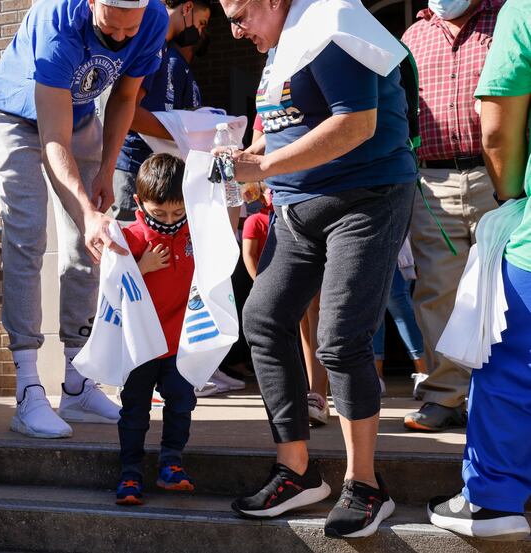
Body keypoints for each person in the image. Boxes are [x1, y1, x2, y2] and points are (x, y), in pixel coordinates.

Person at [219, 0, 418, 538]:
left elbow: (357, 123)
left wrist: (263, 165)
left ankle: (365, 486)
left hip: (365, 198)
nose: (235, 31)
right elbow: (280, 128)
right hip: (297, 209)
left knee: (340, 339)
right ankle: (298, 471)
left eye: (240, 16)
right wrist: (238, 158)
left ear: (274, 2)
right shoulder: (285, 39)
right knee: (263, 318)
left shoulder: (330, 26)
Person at [0, 0, 168, 439]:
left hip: (83, 120)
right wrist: (83, 209)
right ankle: (28, 390)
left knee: (92, 243)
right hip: (18, 118)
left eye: (130, 29)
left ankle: (77, 382)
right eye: (111, 26)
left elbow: (123, 96)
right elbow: (52, 138)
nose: (121, 37)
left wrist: (105, 170)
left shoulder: (155, 17)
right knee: (27, 240)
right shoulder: (55, 19)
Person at [428, 0, 531, 538]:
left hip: (522, 225)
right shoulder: (417, 32)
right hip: (437, 176)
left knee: (509, 357)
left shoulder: (519, 12)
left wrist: (512, 199)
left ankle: (493, 499)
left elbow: (497, 126)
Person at [401, 0, 502, 432]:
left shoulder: (506, 19)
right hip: (431, 182)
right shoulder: (412, 37)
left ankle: (504, 394)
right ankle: (445, 396)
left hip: (499, 172)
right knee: (437, 292)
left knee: (509, 289)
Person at [115, 153, 197, 505]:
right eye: (159, 213)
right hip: (141, 343)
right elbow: (110, 287)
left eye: (178, 213)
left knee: (181, 402)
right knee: (134, 410)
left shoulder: (195, 233)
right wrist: (140, 266)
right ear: (139, 203)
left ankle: (171, 462)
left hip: (180, 342)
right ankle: (130, 472)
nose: (170, 221)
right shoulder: (131, 236)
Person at [248, 114, 328, 426]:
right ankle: (309, 394)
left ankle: (319, 393)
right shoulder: (267, 94)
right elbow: (257, 147)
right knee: (295, 310)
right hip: (283, 206)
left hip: (326, 197)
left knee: (321, 308)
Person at [112, 0, 211, 223]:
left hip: (155, 167)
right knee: (131, 246)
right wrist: (185, 134)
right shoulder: (149, 40)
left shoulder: (165, 47)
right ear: (187, 8)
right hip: (133, 165)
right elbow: (128, 112)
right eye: (202, 22)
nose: (200, 31)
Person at [373, 239, 429, 398]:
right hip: (361, 232)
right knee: (372, 303)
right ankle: (375, 376)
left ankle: (423, 371)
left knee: (396, 298)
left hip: (394, 233)